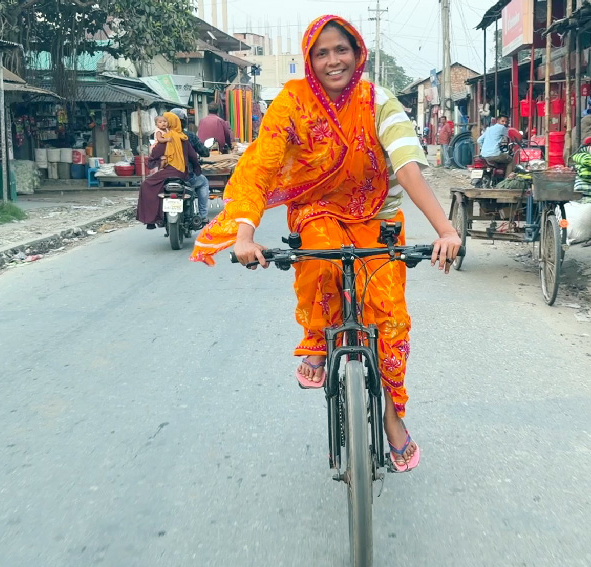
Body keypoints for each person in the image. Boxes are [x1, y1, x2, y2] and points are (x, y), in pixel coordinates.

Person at [191, 15, 461, 472]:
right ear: (309, 59)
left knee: (390, 321)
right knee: (318, 256)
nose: (333, 60)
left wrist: (446, 230)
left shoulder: (379, 100)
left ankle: (393, 420)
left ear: (357, 54)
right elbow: (260, 168)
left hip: (378, 215)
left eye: (342, 50)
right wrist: (244, 233)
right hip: (318, 210)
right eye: (322, 52)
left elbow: (407, 165)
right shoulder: (291, 104)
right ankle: (317, 339)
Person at [136, 112, 200, 229]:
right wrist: (197, 169)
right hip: (182, 173)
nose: (164, 123)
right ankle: (201, 214)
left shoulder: (166, 138)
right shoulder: (183, 138)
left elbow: (154, 155)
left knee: (146, 185)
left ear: (169, 123)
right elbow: (193, 156)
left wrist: (152, 161)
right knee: (199, 185)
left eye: (166, 121)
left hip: (169, 171)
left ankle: (151, 220)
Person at [171, 108, 212, 224]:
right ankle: (203, 215)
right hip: (187, 177)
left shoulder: (162, 137)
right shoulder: (188, 137)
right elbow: (204, 152)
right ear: (183, 122)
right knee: (203, 182)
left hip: (166, 177)